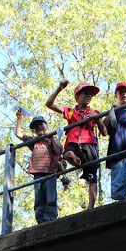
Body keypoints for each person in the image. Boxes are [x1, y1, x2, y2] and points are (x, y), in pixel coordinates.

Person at [46, 80, 108, 209]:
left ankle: (91, 207)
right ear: (77, 96)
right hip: (73, 143)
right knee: (67, 154)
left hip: (89, 145)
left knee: (92, 177)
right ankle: (79, 163)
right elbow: (49, 104)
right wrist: (59, 89)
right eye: (86, 93)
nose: (89, 96)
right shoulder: (70, 112)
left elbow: (104, 132)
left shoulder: (94, 112)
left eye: (91, 94)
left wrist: (97, 119)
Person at [15, 111, 64, 223]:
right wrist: (19, 119)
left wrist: (52, 138)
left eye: (41, 124)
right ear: (33, 130)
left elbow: (59, 151)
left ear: (46, 126)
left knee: (50, 197)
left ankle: (50, 218)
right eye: (36, 126)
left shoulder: (51, 140)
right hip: (37, 173)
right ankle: (40, 220)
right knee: (39, 198)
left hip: (50, 173)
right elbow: (18, 134)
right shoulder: (33, 141)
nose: (39, 127)